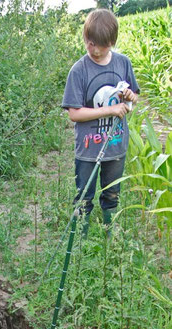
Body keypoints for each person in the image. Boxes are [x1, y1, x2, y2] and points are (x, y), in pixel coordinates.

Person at [62, 8, 139, 237]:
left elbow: (134, 94)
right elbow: (74, 113)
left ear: (112, 42)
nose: (93, 49)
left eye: (99, 45)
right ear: (85, 38)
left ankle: (109, 233)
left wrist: (130, 98)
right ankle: (80, 240)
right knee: (84, 195)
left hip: (115, 146)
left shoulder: (123, 63)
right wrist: (110, 110)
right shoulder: (79, 70)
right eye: (89, 43)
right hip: (88, 148)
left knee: (112, 193)